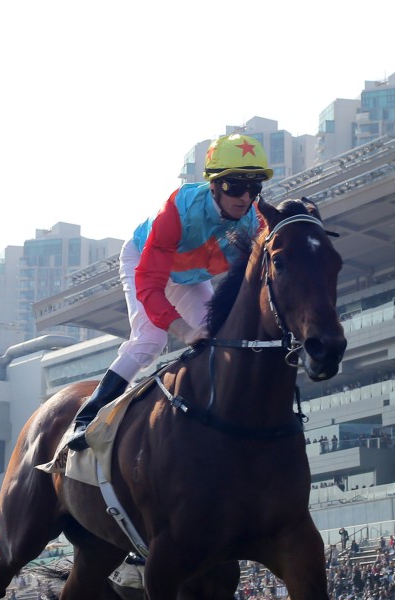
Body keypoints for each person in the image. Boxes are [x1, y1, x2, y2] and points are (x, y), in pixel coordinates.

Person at [66, 133, 273, 450]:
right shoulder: (177, 210)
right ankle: (85, 418)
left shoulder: (254, 223)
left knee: (216, 334)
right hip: (144, 260)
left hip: (188, 275)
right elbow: (150, 286)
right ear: (214, 185)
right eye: (235, 186)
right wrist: (184, 331)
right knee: (151, 340)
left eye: (254, 187)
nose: (245, 198)